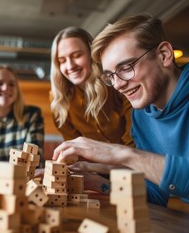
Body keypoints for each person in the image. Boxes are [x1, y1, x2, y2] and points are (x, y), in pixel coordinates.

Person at [53, 13, 189, 209]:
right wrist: (98, 183)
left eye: (127, 67)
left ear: (164, 55)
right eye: (111, 76)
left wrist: (125, 154)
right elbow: (155, 193)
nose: (118, 85)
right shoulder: (141, 116)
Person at [50, 27, 134, 193]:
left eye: (77, 55)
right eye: (62, 60)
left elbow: (134, 142)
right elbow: (75, 152)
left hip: (135, 169)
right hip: (96, 174)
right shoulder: (58, 100)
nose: (70, 66)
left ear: (92, 54)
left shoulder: (116, 83)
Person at [0, 65, 44, 161]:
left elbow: (34, 160)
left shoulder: (32, 115)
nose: (5, 88)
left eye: (11, 84)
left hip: (23, 176)